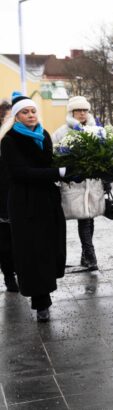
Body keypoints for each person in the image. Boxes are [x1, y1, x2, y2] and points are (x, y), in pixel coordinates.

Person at [0, 92, 67, 321]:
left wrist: (71, 168)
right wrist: (57, 173)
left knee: (49, 249)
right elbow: (21, 173)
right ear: (16, 117)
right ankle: (41, 304)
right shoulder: (9, 141)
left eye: (33, 111)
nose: (30, 115)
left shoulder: (44, 135)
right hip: (24, 203)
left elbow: (51, 162)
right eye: (25, 112)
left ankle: (46, 293)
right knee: (32, 252)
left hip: (47, 200)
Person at [52, 96, 103, 271]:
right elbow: (55, 156)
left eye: (85, 110)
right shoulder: (62, 132)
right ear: (71, 112)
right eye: (78, 110)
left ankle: (85, 255)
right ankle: (90, 256)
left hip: (93, 183)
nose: (82, 113)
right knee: (84, 219)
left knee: (89, 219)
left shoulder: (96, 130)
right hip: (74, 184)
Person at [0, 100, 18, 292]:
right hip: (2, 195)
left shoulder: (18, 135)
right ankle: (9, 275)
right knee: (4, 241)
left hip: (17, 191)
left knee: (18, 238)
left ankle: (18, 269)